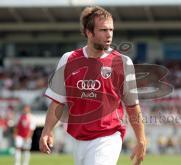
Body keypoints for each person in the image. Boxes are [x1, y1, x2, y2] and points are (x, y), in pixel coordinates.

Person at [39, 6, 146, 165]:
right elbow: (58, 101)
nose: (109, 34)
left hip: (108, 138)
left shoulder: (123, 63)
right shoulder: (68, 59)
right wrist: (47, 130)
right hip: (78, 139)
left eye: (111, 29)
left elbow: (132, 106)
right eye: (103, 30)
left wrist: (141, 139)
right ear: (89, 32)